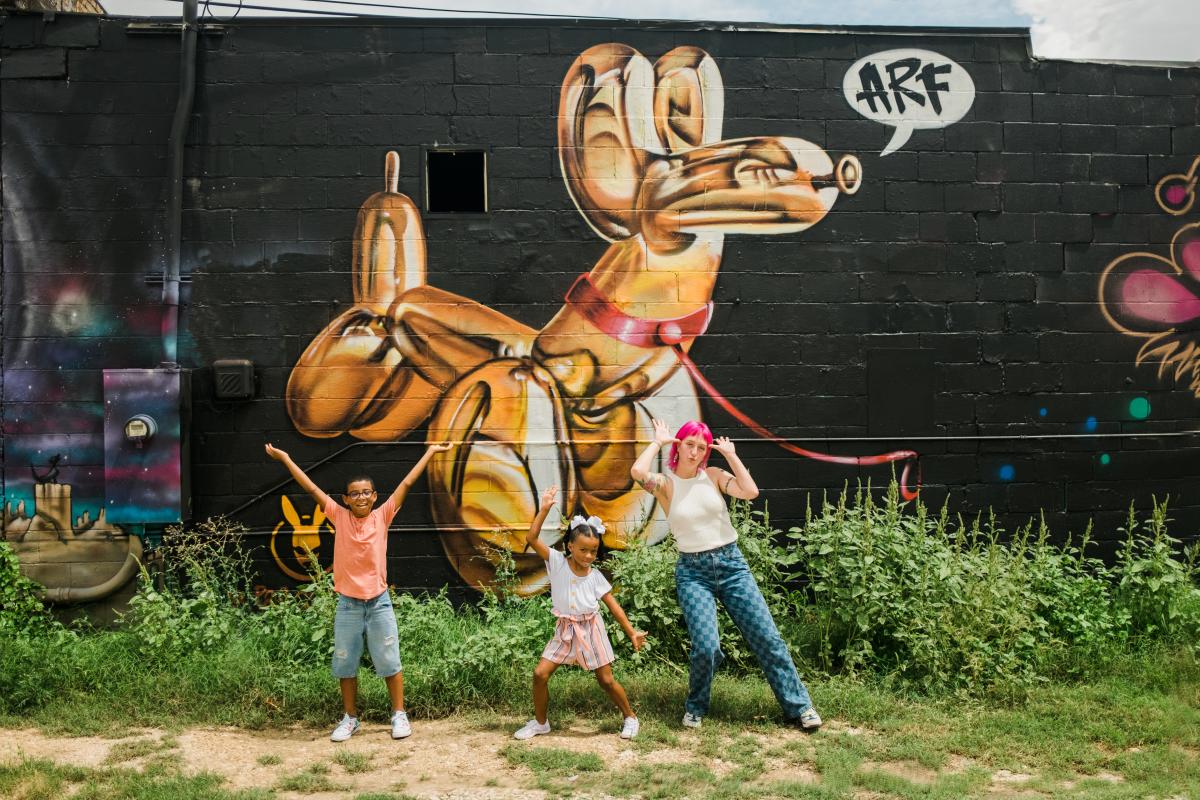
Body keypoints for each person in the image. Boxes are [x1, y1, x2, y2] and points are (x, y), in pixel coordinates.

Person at [630, 419, 822, 731]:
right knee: (706, 647)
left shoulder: (714, 476)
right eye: (689, 444)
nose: (694, 452)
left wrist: (731, 455)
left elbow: (750, 491)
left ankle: (799, 708)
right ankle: (695, 707)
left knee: (767, 638)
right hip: (693, 573)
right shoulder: (666, 485)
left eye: (701, 447)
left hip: (732, 565)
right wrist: (658, 442)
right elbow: (637, 473)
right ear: (679, 445)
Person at [265, 440, 452, 742]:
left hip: (379, 603)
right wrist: (285, 457)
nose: (361, 497)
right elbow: (311, 488)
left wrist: (430, 452)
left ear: (375, 496)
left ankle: (399, 715)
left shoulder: (383, 515)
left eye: (366, 492)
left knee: (390, 661)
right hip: (348, 606)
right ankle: (350, 719)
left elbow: (406, 482)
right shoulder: (339, 516)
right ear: (346, 499)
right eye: (355, 493)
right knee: (345, 662)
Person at [513, 486, 648, 741]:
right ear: (570, 546)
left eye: (594, 551)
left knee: (606, 681)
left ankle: (630, 717)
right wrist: (543, 510)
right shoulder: (556, 562)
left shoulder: (595, 577)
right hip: (565, 629)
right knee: (540, 674)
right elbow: (531, 539)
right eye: (583, 549)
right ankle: (541, 723)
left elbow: (612, 604)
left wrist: (631, 632)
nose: (588, 556)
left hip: (591, 627)